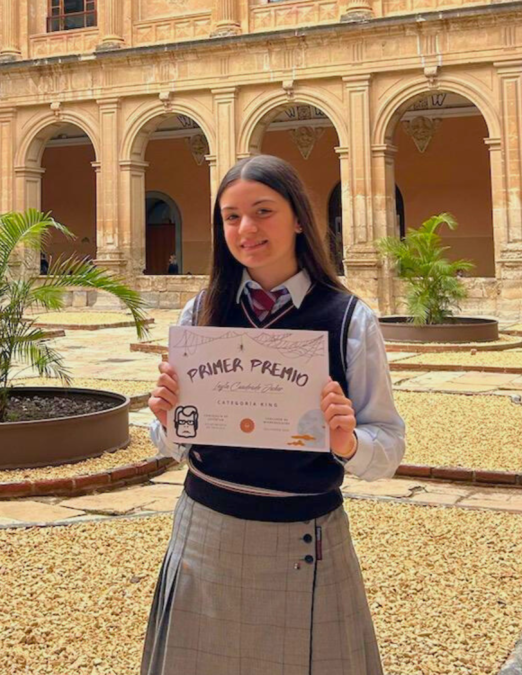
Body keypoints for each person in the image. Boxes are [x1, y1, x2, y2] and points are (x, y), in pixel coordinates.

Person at [142, 155, 405, 675]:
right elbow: (172, 442)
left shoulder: (349, 320)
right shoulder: (201, 313)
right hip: (205, 534)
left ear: (299, 217)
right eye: (231, 216)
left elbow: (390, 445)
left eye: (264, 211)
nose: (247, 228)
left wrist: (348, 442)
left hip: (302, 537)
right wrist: (168, 420)